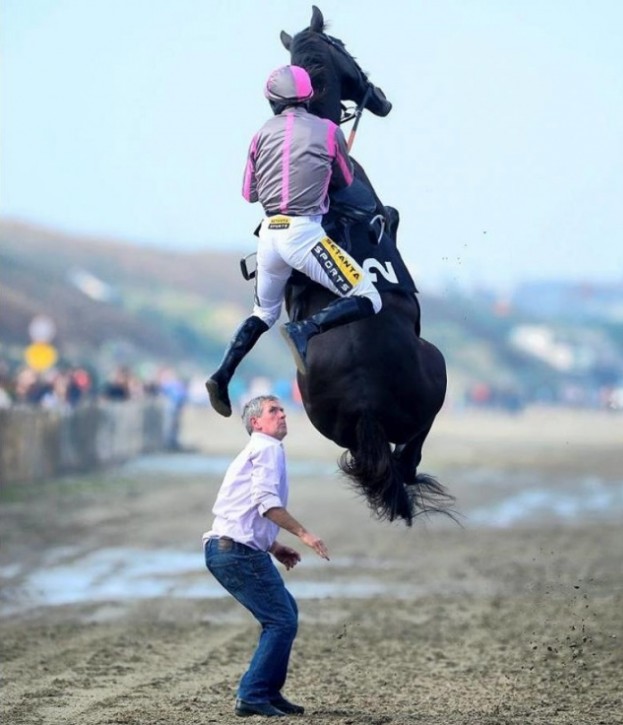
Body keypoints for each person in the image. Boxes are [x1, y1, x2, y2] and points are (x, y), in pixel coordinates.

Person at [206, 64, 382, 417]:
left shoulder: (259, 134)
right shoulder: (329, 131)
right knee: (369, 297)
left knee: (263, 313)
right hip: (304, 236)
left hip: (269, 238)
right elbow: (345, 181)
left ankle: (222, 374)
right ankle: (306, 329)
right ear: (309, 96)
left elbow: (249, 193)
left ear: (272, 100)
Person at [202, 395, 330, 718]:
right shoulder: (266, 448)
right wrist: (303, 534)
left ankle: (269, 692)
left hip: (230, 548)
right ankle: (253, 693)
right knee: (281, 620)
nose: (282, 414)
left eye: (283, 410)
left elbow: (244, 510)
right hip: (235, 552)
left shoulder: (262, 450)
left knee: (286, 612)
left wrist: (274, 547)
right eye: (274, 411)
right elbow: (266, 503)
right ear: (256, 422)